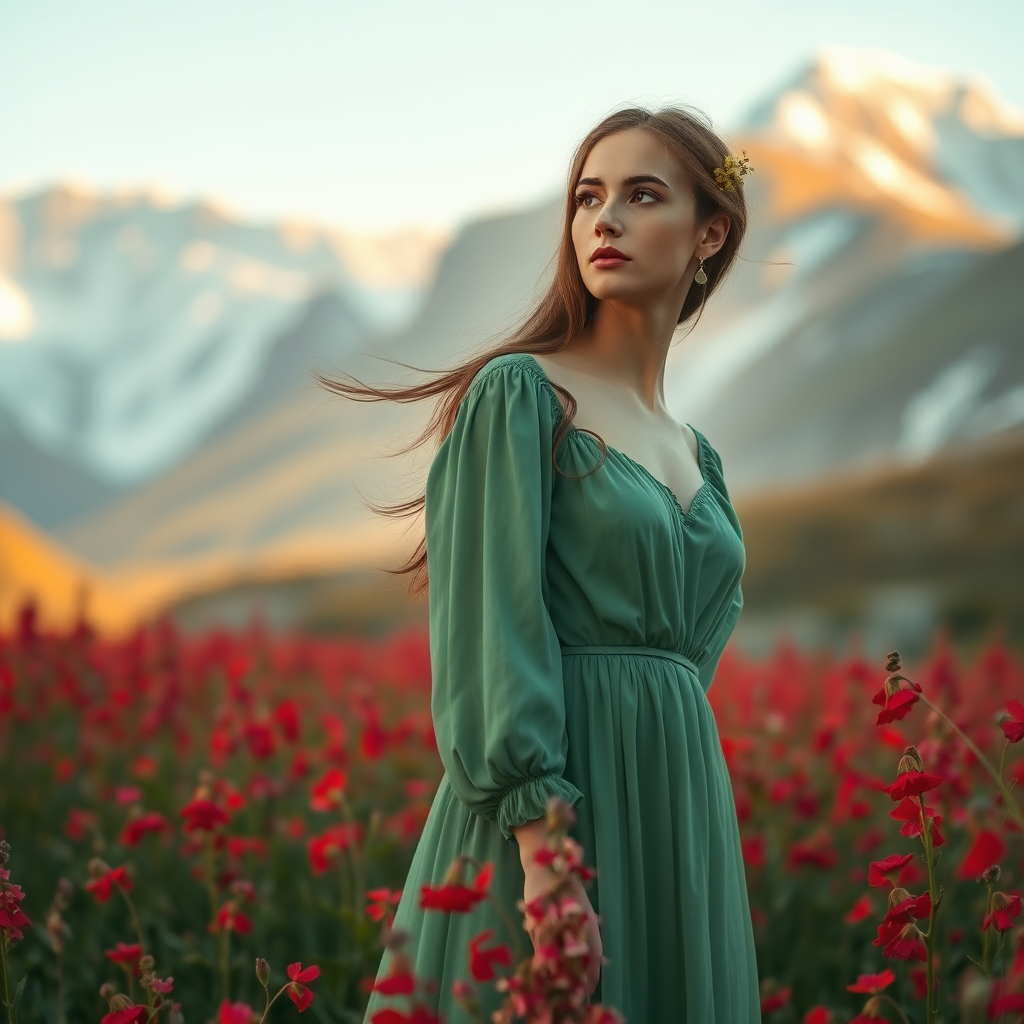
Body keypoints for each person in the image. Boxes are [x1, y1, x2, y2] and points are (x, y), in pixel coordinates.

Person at [320, 104, 760, 1023]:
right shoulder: (520, 395)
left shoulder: (698, 454)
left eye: (644, 196)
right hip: (546, 815)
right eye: (588, 197)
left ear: (710, 232)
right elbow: (490, 627)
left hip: (679, 811)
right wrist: (545, 848)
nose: (605, 220)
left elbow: (687, 665)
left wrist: (662, 753)